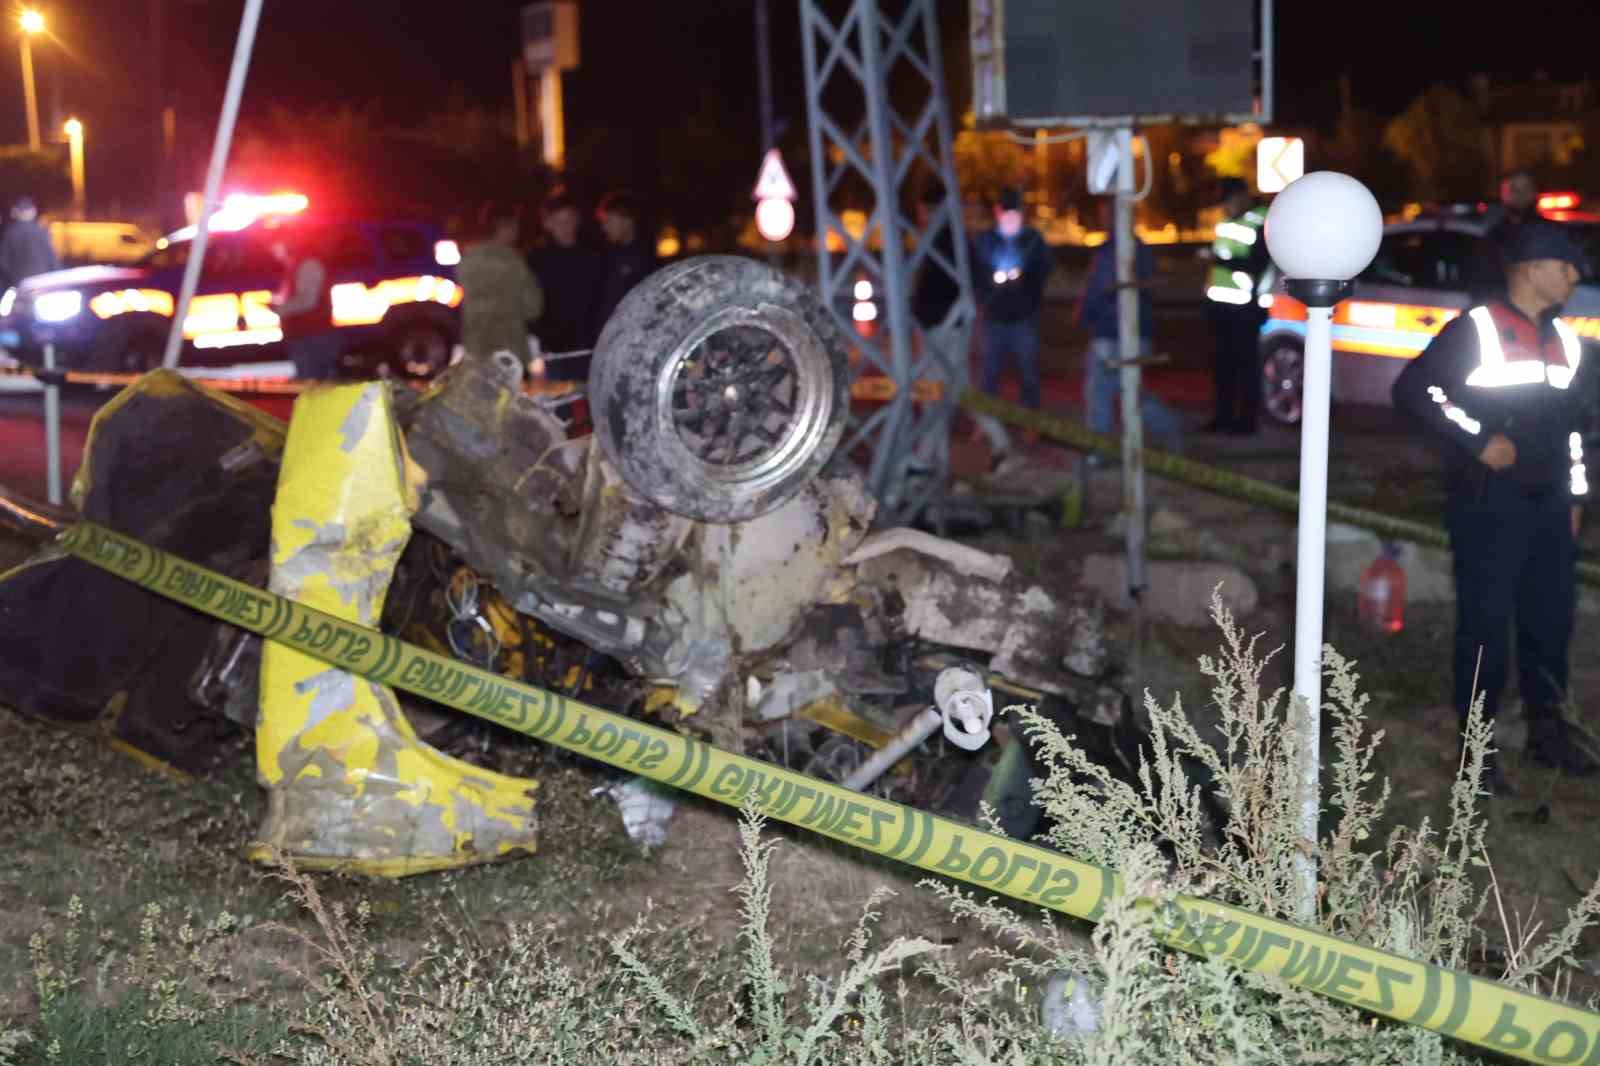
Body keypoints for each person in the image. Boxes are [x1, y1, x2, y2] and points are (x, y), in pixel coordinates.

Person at [1391, 222, 1596, 791]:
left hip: (1551, 504)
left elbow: (1577, 430)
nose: (1575, 277)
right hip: (1489, 502)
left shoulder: (1568, 340)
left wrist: (1576, 496)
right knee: (1485, 626)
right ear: (1532, 268)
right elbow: (1415, 391)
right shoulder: (1476, 329)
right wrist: (1478, 439)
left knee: (1550, 620)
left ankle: (1548, 734)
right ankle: (1475, 754)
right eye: (1567, 265)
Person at [1079, 200, 1181, 452]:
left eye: (1107, 214)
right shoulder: (1111, 250)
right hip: (1114, 331)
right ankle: (1167, 429)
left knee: (1104, 391)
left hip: (1118, 332)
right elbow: (1096, 289)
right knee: (1123, 391)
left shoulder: (1129, 250)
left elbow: (1147, 285)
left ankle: (1100, 448)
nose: (1103, 220)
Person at [971, 187, 1053, 411]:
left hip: (1023, 317)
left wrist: (1024, 280)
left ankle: (1032, 422)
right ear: (997, 212)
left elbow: (1043, 270)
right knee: (989, 372)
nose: (1010, 217)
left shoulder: (1033, 239)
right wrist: (989, 286)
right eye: (1005, 211)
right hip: (993, 317)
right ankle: (987, 423)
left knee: (1028, 373)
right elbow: (975, 272)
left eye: (1015, 212)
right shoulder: (986, 240)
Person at [1202, 177, 1271, 434]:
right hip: (1220, 308)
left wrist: (1221, 261)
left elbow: (1257, 265)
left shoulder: (1261, 222)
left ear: (1241, 197)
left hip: (1246, 309)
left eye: (1227, 201)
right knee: (1222, 366)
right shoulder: (1225, 223)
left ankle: (1246, 421)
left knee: (1246, 366)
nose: (1224, 207)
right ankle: (1223, 417)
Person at [526, 192, 602, 381]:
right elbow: (530, 306)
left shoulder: (594, 255)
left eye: (570, 219)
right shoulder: (536, 259)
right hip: (554, 350)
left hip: (591, 346)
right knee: (558, 405)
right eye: (558, 221)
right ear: (547, 224)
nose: (565, 226)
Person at [457, 204, 545, 369]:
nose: (517, 232)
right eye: (515, 226)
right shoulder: (515, 262)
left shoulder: (468, 260)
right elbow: (533, 308)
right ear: (506, 227)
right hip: (510, 350)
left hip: (477, 349)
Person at [269, 230, 339, 381]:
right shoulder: (292, 267)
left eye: (275, 244)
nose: (272, 249)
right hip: (304, 337)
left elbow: (308, 300)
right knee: (312, 387)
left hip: (314, 338)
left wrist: (280, 308)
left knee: (314, 387)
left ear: (287, 244)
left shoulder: (307, 265)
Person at [1467, 169, 1540, 303]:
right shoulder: (1492, 241)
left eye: (1526, 189)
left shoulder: (1553, 236)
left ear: (1534, 193)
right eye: (1514, 190)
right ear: (1503, 195)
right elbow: (1480, 286)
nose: (1521, 195)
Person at [593, 191, 655, 335]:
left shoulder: (646, 258)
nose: (604, 227)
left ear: (627, 220)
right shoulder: (606, 257)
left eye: (609, 220)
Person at [0, 197, 58, 288]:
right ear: (33, 212)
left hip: (19, 282)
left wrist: (11, 278)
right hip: (41, 281)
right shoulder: (41, 231)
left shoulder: (10, 233)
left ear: (17, 212)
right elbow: (52, 258)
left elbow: (3, 261)